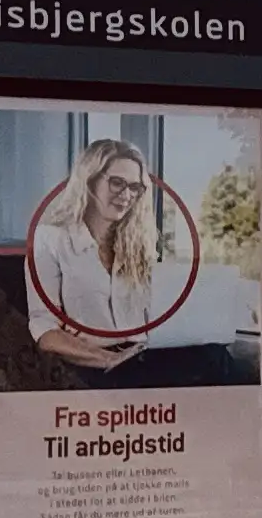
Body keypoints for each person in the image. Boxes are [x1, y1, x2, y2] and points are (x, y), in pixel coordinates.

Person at [28, 138, 185, 368]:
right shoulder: (50, 240)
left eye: (134, 187)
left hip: (141, 355)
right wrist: (111, 360)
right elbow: (45, 331)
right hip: (96, 363)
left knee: (214, 355)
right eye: (117, 182)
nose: (127, 195)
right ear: (89, 182)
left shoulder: (137, 245)